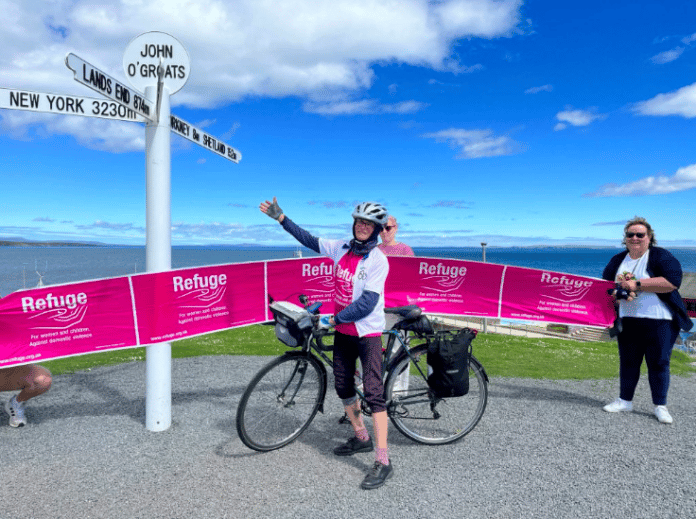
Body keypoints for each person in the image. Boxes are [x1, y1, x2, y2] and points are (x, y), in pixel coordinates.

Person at [260, 197, 393, 490]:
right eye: (359, 221)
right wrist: (282, 218)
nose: (362, 226)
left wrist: (332, 320)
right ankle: (362, 437)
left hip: (366, 333)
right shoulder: (340, 248)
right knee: (343, 385)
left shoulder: (377, 260)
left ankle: (383, 461)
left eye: (368, 224)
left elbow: (368, 304)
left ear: (376, 229)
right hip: (344, 332)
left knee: (374, 394)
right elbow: (307, 238)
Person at [602, 217, 693, 424]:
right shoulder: (618, 260)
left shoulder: (661, 256)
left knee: (659, 363)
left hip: (660, 321)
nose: (634, 238)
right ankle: (625, 400)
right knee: (628, 362)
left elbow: (672, 282)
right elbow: (605, 285)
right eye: (630, 234)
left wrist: (637, 284)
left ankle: (660, 406)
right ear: (625, 238)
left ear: (649, 237)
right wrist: (616, 293)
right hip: (629, 320)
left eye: (639, 234)